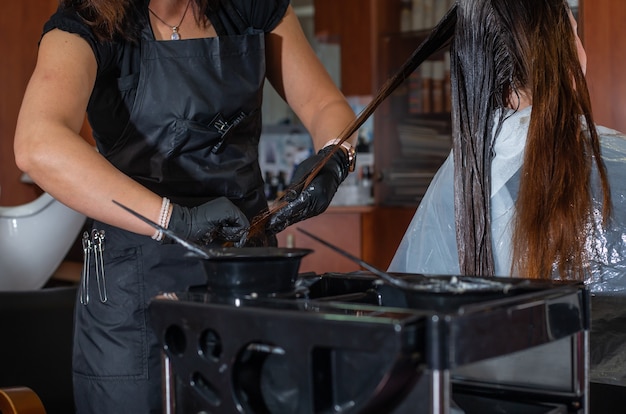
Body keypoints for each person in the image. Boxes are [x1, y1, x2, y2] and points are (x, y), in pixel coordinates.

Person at [13, 0, 356, 412]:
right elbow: (37, 144)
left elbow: (325, 106)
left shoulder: (250, 7)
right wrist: (173, 220)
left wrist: (334, 157)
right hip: (136, 288)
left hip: (247, 273)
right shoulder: (87, 22)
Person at [388, 0, 626, 294]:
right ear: (564, 53)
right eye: (574, 34)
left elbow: (416, 307)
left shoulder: (457, 177)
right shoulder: (617, 160)